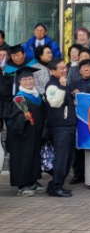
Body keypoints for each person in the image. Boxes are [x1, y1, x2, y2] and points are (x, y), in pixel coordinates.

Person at [7, 66, 46, 197]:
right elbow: (13, 118)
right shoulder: (19, 98)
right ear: (19, 82)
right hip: (21, 136)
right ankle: (22, 186)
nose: (28, 82)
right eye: (25, 80)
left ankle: (32, 181)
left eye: (30, 79)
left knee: (33, 157)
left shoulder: (37, 96)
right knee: (23, 158)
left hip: (34, 133)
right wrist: (23, 118)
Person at [44, 59, 76, 198]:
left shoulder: (62, 82)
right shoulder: (52, 85)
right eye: (61, 68)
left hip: (68, 126)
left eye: (65, 67)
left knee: (67, 159)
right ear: (52, 71)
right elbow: (55, 103)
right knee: (62, 159)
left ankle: (56, 185)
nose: (65, 70)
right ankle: (56, 187)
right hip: (60, 127)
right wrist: (62, 87)